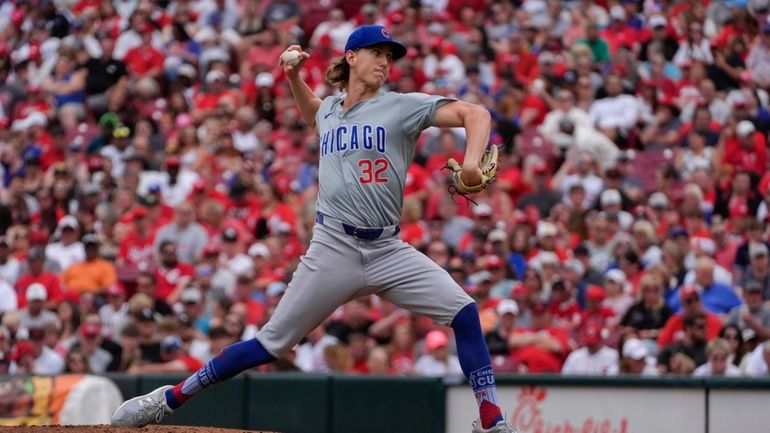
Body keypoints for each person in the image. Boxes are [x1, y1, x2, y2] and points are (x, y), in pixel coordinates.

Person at [112, 25, 515, 433]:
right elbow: (313, 113)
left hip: (389, 249)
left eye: (389, 56)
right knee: (269, 345)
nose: (384, 62)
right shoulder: (328, 111)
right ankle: (168, 399)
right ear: (351, 57)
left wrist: (469, 159)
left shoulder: (400, 106)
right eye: (376, 52)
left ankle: (492, 420)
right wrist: (292, 77)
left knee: (464, 312)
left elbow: (475, 113)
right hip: (333, 247)